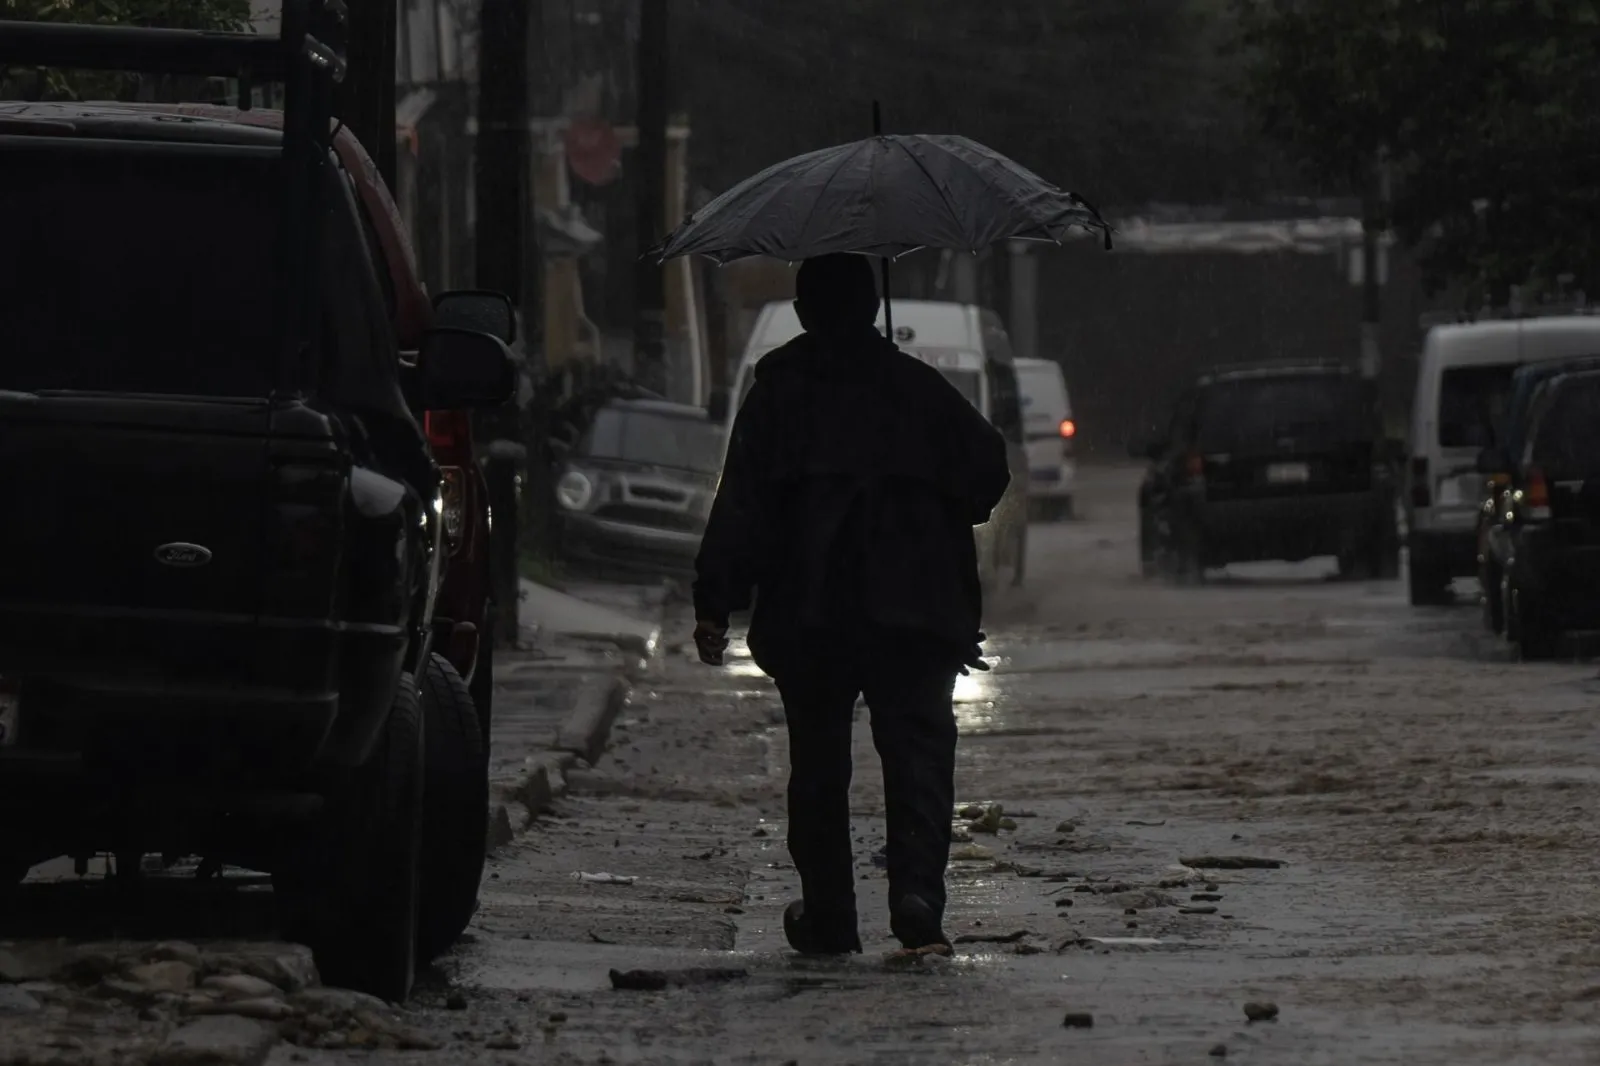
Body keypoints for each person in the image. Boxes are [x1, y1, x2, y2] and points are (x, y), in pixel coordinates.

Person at [691, 254, 1011, 955]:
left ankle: (832, 915)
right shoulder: (919, 390)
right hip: (915, 612)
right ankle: (917, 894)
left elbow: (741, 502)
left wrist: (715, 601)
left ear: (804, 312)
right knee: (918, 753)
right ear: (872, 309)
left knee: (818, 764)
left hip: (813, 612)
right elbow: (989, 467)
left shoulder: (778, 394)